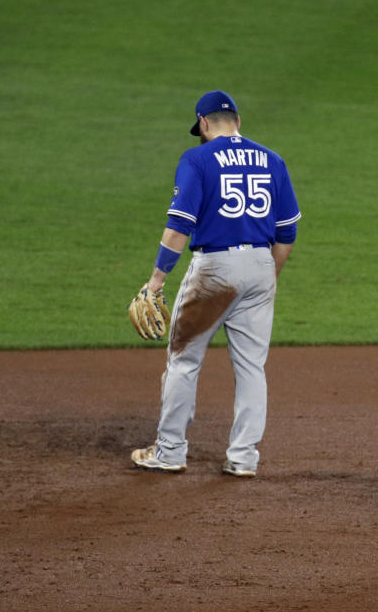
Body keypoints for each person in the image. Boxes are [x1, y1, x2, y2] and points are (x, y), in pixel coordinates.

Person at [130, 90, 300, 478]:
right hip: (261, 262)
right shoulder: (272, 159)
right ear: (238, 122)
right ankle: (243, 458)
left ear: (204, 124)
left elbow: (179, 226)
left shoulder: (197, 158)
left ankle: (170, 451)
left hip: (214, 270)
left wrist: (156, 281)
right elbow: (287, 231)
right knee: (253, 367)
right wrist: (266, 277)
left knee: (184, 361)